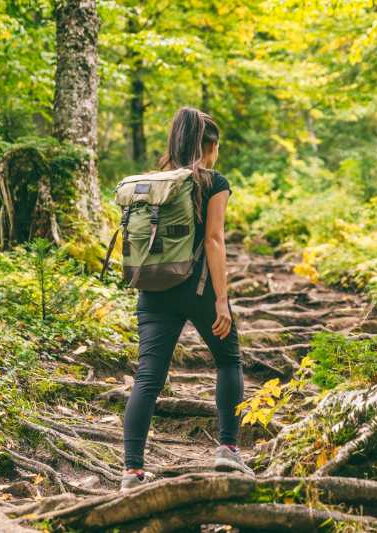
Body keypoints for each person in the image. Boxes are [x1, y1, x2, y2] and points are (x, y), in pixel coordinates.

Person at [121, 107, 253, 489]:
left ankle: (131, 471)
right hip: (197, 289)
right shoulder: (213, 181)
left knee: (147, 377)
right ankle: (227, 450)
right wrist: (221, 300)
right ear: (208, 146)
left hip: (153, 289)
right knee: (229, 361)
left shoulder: (153, 182)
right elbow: (213, 239)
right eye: (217, 147)